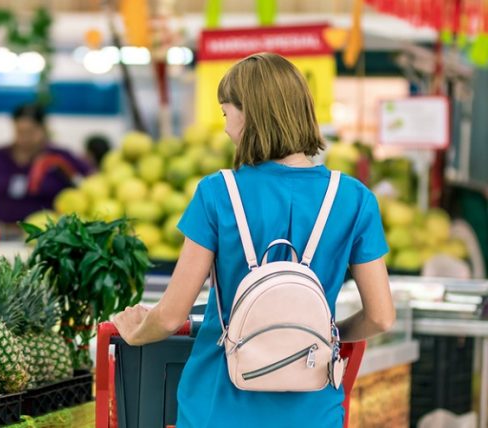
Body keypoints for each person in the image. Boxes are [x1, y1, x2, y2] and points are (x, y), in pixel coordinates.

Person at [111, 53, 395, 427]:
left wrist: (133, 332)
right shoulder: (355, 198)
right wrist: (319, 338)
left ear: (250, 115)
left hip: (218, 403)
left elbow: (170, 316)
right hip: (313, 407)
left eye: (227, 113)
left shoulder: (217, 193)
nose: (226, 128)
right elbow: (381, 316)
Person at [0, 103, 92, 224]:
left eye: (30, 132)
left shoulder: (60, 158)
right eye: (20, 132)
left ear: (43, 129)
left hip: (48, 237)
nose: (24, 138)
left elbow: (92, 181)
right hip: (2, 233)